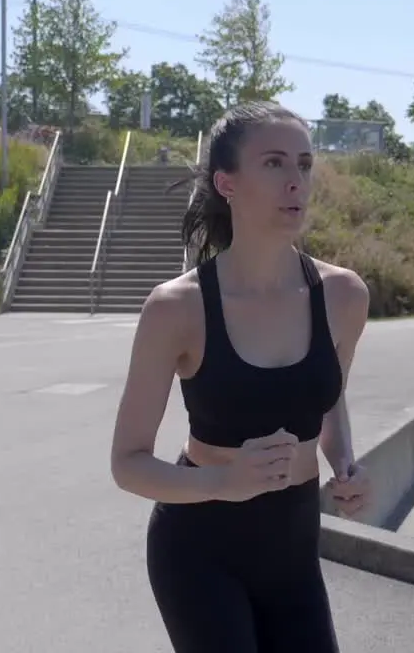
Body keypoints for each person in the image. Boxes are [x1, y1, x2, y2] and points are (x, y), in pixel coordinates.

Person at [109, 101, 372, 653]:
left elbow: (328, 400)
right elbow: (127, 463)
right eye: (274, 164)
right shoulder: (177, 308)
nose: (295, 181)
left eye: (304, 164)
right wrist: (219, 485)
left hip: (294, 550)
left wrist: (344, 464)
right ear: (227, 183)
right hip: (200, 551)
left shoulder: (343, 296)